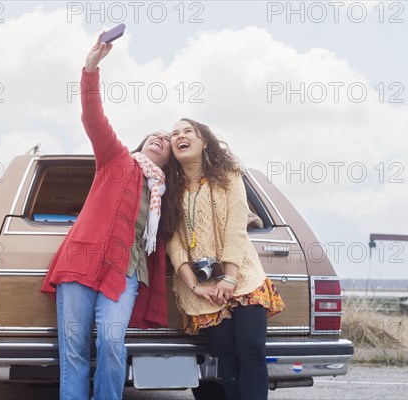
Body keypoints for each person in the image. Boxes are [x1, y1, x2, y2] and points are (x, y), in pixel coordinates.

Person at [41, 34, 171, 400]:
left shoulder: (166, 193)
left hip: (125, 270)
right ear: (142, 144)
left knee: (113, 341)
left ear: (169, 161)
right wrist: (91, 69)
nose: (160, 137)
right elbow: (93, 118)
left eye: (166, 139)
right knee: (74, 349)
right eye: (154, 135)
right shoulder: (117, 160)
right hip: (81, 263)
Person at [162, 118, 286, 400]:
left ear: (203, 140)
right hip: (202, 289)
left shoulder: (229, 175)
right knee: (227, 358)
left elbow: (236, 228)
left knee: (252, 351)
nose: (180, 136)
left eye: (187, 131)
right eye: (174, 134)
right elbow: (174, 243)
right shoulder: (171, 190)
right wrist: (195, 286)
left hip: (243, 278)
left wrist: (229, 277)